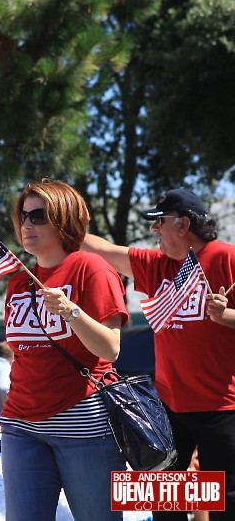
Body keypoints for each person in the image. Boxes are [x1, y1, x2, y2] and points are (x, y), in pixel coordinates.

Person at [82, 187, 235, 520]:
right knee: (165, 508)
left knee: (225, 507)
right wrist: (58, 219)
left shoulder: (227, 257)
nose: (153, 230)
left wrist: (226, 317)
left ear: (182, 225)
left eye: (159, 221)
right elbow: (101, 248)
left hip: (223, 409)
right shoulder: (155, 264)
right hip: (167, 408)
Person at [2, 179, 128, 521]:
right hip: (20, 424)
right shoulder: (19, 279)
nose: (28, 224)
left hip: (83, 423)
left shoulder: (92, 268)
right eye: (23, 216)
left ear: (64, 218)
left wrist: (71, 312)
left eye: (39, 216)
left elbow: (111, 348)